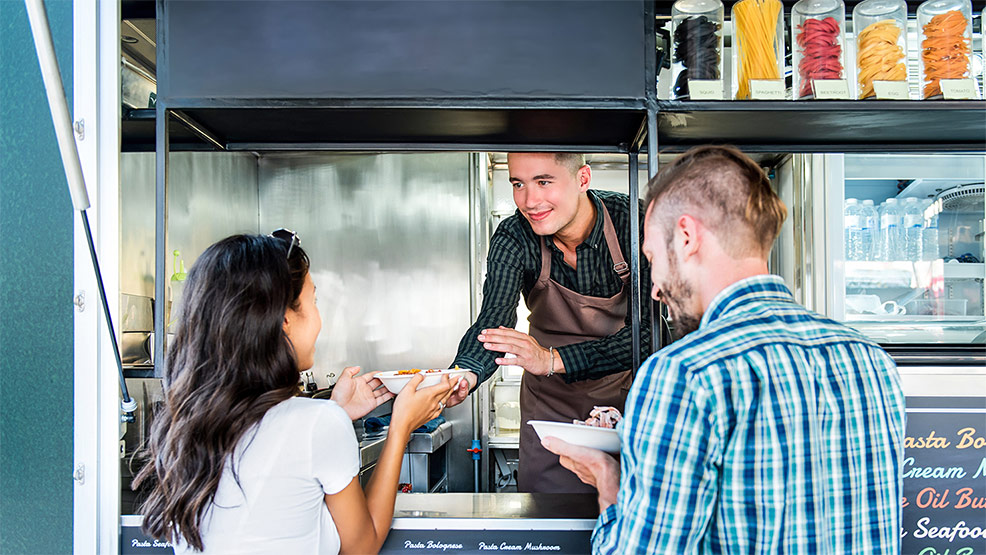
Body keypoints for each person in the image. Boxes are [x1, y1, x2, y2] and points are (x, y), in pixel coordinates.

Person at [543, 146, 906, 553]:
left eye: (652, 257)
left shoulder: (685, 373)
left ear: (686, 237)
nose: (657, 287)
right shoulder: (870, 360)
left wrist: (609, 482)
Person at [134, 232, 454, 554]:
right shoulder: (316, 423)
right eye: (314, 301)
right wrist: (401, 427)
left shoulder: (183, 423)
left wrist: (337, 411)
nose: (318, 317)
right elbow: (362, 546)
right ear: (285, 320)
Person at [444, 152, 651, 493]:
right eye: (518, 184)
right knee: (547, 521)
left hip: (626, 406)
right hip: (549, 410)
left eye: (543, 182)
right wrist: (462, 375)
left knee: (628, 508)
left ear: (583, 179)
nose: (529, 201)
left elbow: (649, 335)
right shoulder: (515, 235)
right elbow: (494, 320)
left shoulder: (634, 221)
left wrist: (552, 360)